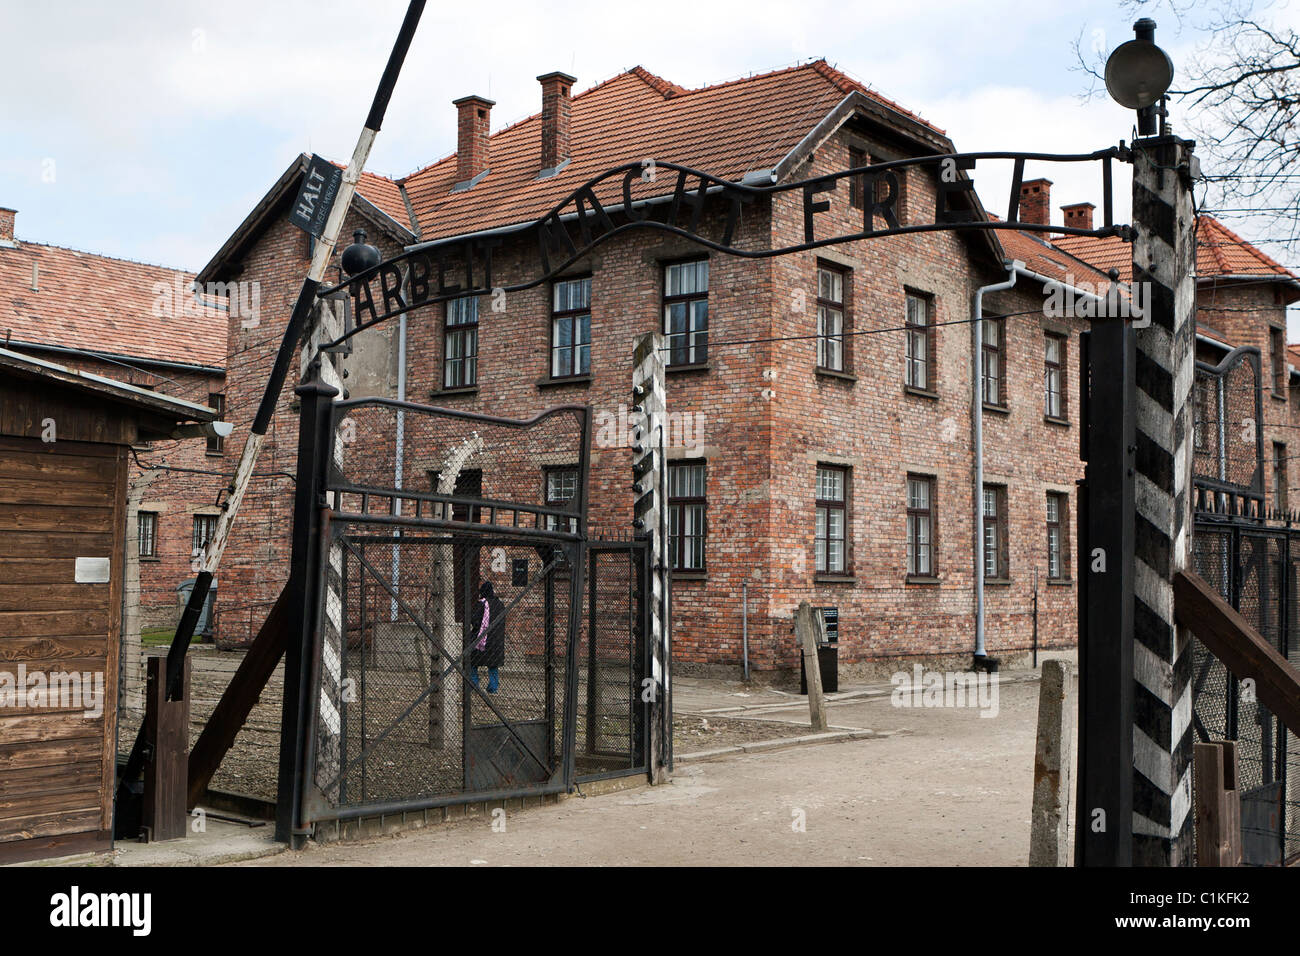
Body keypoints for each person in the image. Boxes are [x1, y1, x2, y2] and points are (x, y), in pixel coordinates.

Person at [468, 580, 506, 693]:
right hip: (496, 640)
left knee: (472, 662)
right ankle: (493, 688)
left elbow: (474, 621)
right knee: (493, 665)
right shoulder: (500, 604)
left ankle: (474, 685)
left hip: (481, 640)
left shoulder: (481, 604)